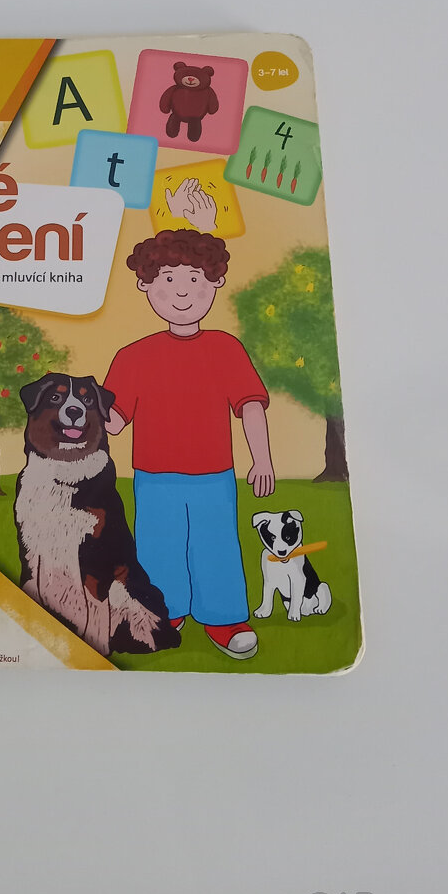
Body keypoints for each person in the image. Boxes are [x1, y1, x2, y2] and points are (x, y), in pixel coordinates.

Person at [103, 197, 275, 659]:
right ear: (146, 285)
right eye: (168, 280)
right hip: (154, 476)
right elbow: (114, 421)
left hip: (214, 475)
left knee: (216, 544)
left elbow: (250, 406)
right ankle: (164, 613)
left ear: (214, 282)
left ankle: (225, 618)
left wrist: (262, 459)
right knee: (158, 546)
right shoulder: (133, 356)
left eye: (194, 279)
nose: (182, 292)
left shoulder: (225, 348)